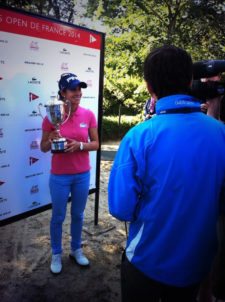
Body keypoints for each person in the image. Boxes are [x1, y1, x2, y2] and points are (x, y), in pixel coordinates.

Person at [108, 45, 225, 302]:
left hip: (146, 262)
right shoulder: (221, 132)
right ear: (188, 81)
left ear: (149, 87)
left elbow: (120, 209)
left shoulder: (138, 136)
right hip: (197, 265)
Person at [41, 73, 99, 274]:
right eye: (73, 89)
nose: (78, 93)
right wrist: (52, 138)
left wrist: (80, 145)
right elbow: (43, 147)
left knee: (78, 214)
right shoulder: (52, 116)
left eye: (80, 89)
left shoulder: (88, 114)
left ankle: (76, 249)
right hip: (59, 176)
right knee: (58, 216)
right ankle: (56, 253)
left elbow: (96, 143)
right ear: (63, 93)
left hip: (82, 174)